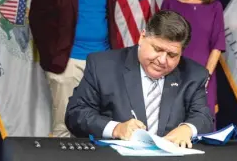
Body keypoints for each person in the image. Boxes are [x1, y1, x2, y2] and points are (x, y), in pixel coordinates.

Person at [65, 10, 214, 148]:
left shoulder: (194, 74)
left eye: (172, 55)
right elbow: (76, 113)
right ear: (142, 37)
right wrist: (116, 128)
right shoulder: (102, 66)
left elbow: (204, 117)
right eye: (157, 49)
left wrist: (187, 129)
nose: (162, 60)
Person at [29, 0, 118, 137]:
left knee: (100, 125)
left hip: (102, 60)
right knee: (64, 126)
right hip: (68, 60)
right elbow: (37, 16)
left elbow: (110, 13)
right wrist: (52, 52)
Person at [161, 0, 226, 128]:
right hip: (173, 73)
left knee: (202, 127)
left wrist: (205, 76)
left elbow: (217, 45)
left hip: (204, 76)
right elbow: (161, 40)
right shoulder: (170, 3)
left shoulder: (214, 7)